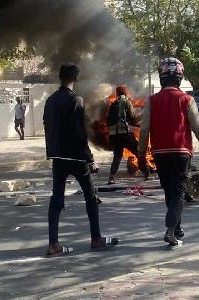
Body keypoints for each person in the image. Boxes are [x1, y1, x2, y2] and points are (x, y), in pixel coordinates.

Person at [138, 57, 199, 246]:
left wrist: (141, 155)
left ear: (162, 77)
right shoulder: (187, 99)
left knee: (169, 191)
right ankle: (171, 230)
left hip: (160, 153)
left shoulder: (152, 101)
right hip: (181, 153)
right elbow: (198, 128)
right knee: (179, 192)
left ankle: (177, 228)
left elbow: (144, 130)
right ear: (180, 78)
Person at [43, 63, 117, 257]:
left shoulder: (50, 101)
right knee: (90, 196)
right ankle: (96, 239)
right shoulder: (76, 100)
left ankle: (53, 244)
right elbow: (79, 132)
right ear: (75, 79)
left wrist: (52, 150)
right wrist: (90, 159)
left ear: (60, 77)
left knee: (56, 199)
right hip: (76, 158)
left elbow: (47, 126)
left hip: (58, 157)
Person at [107, 85, 147, 184]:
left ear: (117, 94)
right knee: (138, 152)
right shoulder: (127, 102)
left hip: (115, 136)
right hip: (125, 135)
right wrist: (143, 116)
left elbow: (113, 121)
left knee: (117, 156)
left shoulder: (113, 104)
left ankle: (111, 177)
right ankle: (146, 173)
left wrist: (137, 125)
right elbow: (133, 119)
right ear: (125, 93)